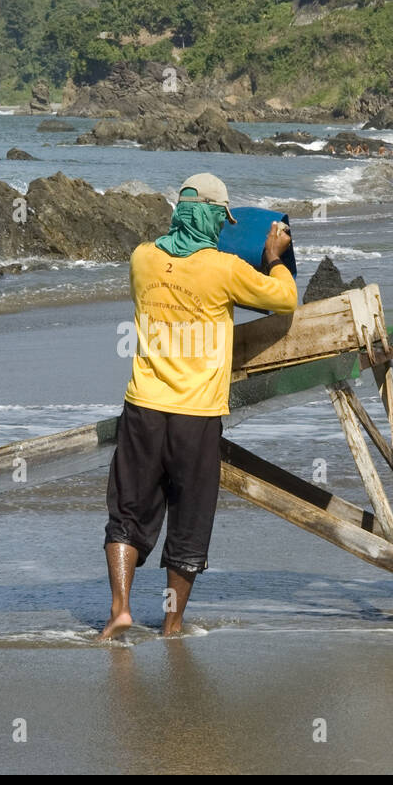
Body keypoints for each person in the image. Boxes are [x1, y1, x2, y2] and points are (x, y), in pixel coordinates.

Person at [98, 174, 297, 640]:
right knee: (188, 519)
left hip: (143, 408)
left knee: (127, 513)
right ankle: (172, 624)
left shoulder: (142, 258)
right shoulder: (224, 268)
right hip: (197, 415)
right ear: (213, 218)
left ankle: (121, 609)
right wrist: (273, 258)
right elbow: (284, 301)